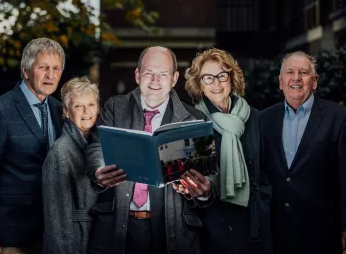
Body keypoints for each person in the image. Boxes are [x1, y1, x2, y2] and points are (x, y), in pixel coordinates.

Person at [85, 46, 209, 254]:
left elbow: (209, 173)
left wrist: (203, 190)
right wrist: (99, 171)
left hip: (173, 229)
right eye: (149, 73)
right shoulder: (115, 107)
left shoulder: (194, 119)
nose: (155, 81)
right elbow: (96, 145)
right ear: (137, 75)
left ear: (174, 78)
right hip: (118, 226)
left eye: (163, 74)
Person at [0, 38, 65, 254]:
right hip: (9, 237)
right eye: (43, 68)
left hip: (51, 234)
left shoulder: (60, 111)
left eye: (56, 68)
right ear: (25, 70)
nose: (50, 75)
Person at [183, 48, 272, 254]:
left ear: (232, 78)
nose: (216, 83)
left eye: (222, 75)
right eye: (208, 78)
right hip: (213, 226)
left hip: (254, 225)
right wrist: (201, 193)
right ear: (199, 85)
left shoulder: (255, 117)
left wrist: (264, 204)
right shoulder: (191, 120)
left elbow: (266, 170)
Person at [260, 51, 346, 254]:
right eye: (289, 72)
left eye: (303, 73)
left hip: (321, 232)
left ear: (314, 81)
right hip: (275, 233)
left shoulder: (339, 117)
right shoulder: (264, 119)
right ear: (281, 82)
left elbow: (345, 174)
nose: (296, 78)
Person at [43, 77, 100, 254]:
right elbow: (56, 222)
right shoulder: (60, 152)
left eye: (91, 104)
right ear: (66, 112)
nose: (86, 112)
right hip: (75, 243)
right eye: (78, 106)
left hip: (100, 238)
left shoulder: (101, 144)